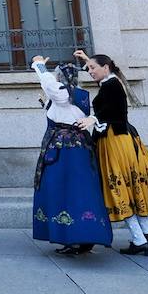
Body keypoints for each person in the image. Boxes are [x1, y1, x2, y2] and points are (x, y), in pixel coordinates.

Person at [73, 49, 148, 255]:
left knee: (118, 188)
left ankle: (140, 237)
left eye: (92, 68)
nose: (89, 71)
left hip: (115, 141)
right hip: (121, 139)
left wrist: (92, 119)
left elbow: (111, 110)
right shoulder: (111, 80)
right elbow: (105, 85)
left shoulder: (111, 84)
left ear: (105, 68)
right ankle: (146, 232)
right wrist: (87, 60)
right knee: (127, 187)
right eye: (87, 69)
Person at [30, 57, 112, 255]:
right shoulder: (79, 95)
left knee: (65, 190)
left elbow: (50, 86)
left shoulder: (65, 94)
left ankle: (74, 236)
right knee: (78, 189)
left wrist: (39, 64)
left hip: (64, 152)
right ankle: (84, 236)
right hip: (78, 149)